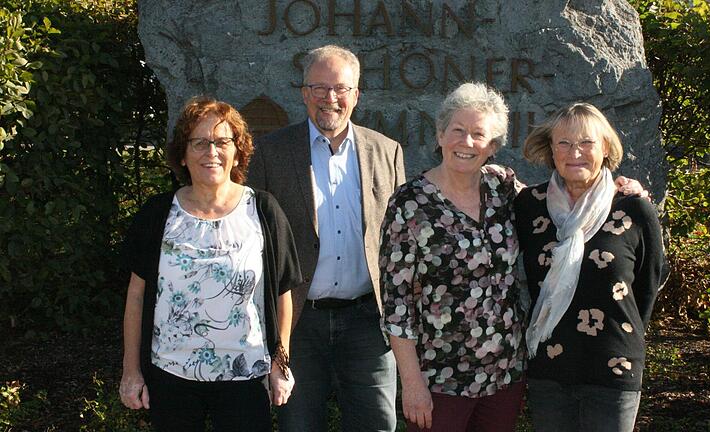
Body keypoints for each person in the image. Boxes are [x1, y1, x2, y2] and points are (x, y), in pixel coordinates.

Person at [119, 97, 301, 432]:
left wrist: (280, 363)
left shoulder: (263, 211)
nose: (211, 152)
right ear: (183, 155)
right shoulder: (158, 214)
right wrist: (132, 371)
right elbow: (136, 296)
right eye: (199, 143)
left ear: (237, 152)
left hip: (245, 374)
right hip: (170, 373)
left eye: (221, 142)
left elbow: (282, 293)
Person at [248, 45, 405, 432]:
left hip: (369, 321)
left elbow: (401, 240)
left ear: (356, 95)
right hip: (299, 322)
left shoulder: (387, 152)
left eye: (340, 88)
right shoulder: (269, 153)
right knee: (298, 425)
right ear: (303, 93)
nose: (329, 98)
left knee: (378, 425)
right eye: (318, 88)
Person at [379, 83, 527, 432]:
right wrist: (412, 385)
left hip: (505, 374)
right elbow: (397, 303)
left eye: (479, 134)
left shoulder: (501, 188)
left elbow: (556, 206)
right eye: (458, 130)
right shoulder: (410, 204)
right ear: (440, 135)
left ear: (492, 147)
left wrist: (617, 190)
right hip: (440, 379)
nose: (467, 142)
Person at [514, 102, 667, 432]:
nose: (575, 153)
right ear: (551, 150)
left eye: (586, 142)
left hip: (613, 366)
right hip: (549, 366)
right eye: (564, 143)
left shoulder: (634, 208)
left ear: (606, 147)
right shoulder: (528, 206)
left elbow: (648, 285)